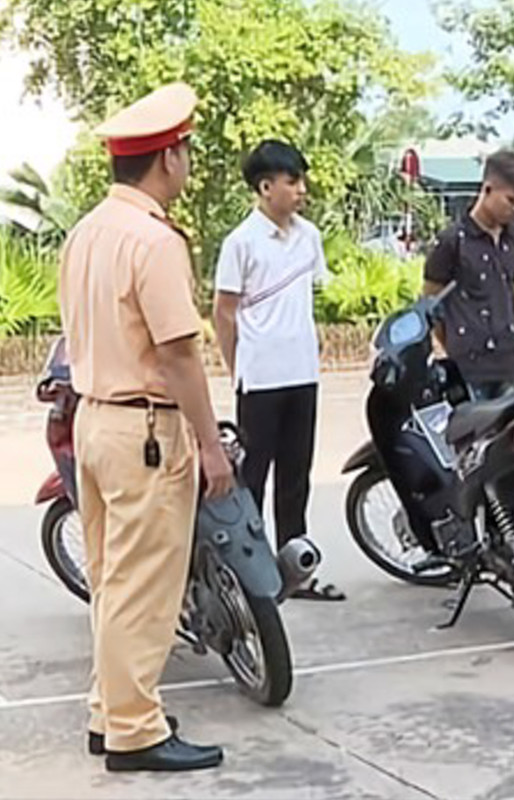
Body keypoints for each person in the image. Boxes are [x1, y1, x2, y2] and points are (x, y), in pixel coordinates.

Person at [59, 82, 232, 772]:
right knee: (146, 589)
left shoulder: (86, 232)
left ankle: (111, 713)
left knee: (113, 582)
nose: (187, 162)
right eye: (185, 151)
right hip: (147, 432)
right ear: (168, 158)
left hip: (94, 420)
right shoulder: (154, 241)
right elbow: (178, 353)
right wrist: (211, 443)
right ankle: (134, 732)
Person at [213, 140, 343, 601]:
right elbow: (223, 312)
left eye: (302, 180)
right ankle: (250, 574)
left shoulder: (309, 236)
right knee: (253, 478)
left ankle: (295, 568)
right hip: (260, 378)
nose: (301, 189)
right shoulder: (241, 243)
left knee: (296, 475)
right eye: (292, 181)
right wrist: (237, 367)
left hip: (302, 373)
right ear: (265, 187)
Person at [423, 150, 514, 400]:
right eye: (511, 200)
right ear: (487, 189)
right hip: (467, 369)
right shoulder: (451, 242)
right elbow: (431, 304)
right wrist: (455, 342)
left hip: (510, 366)